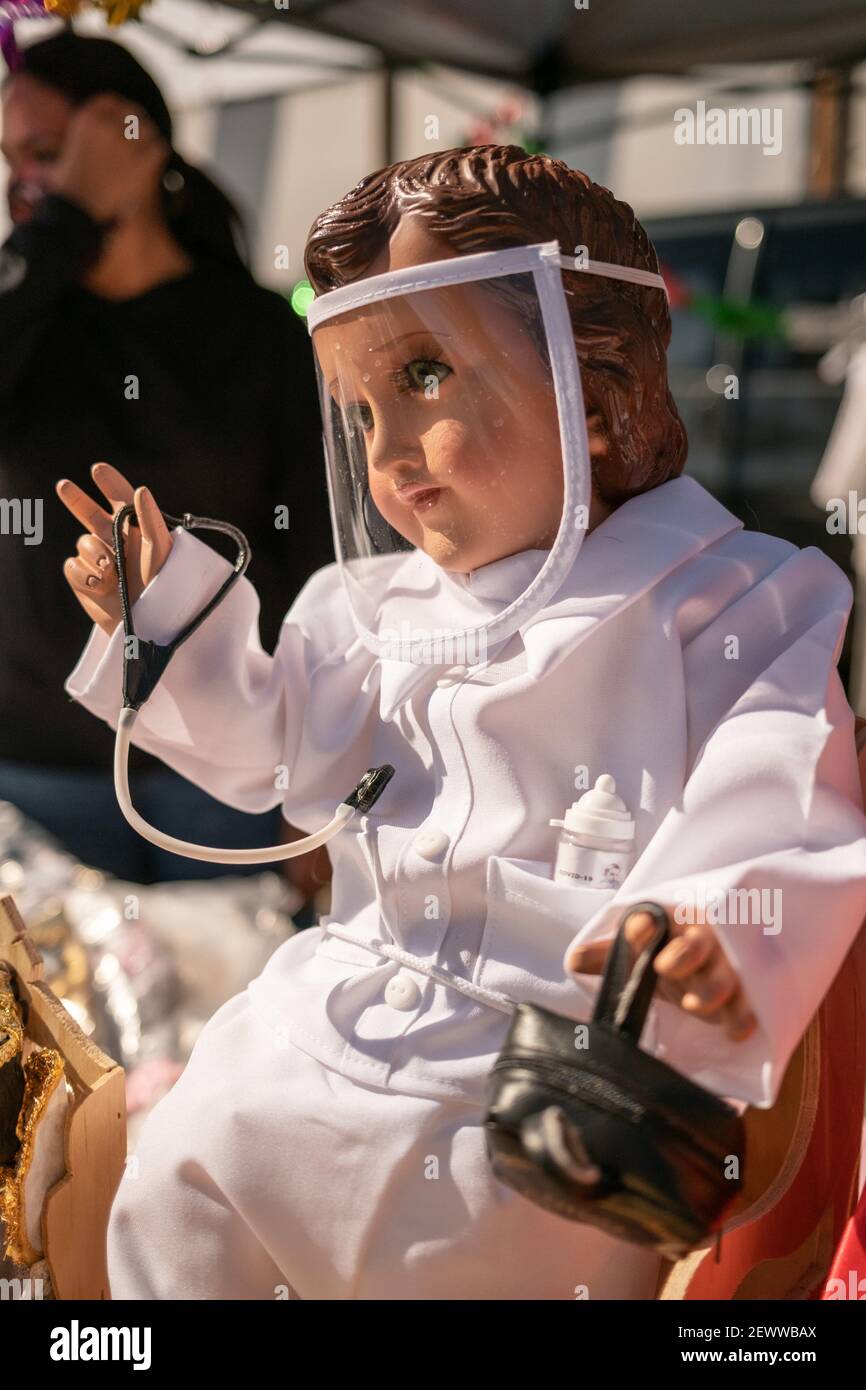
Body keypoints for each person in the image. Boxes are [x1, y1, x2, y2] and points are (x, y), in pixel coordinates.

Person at [59, 146, 866, 1299]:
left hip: (545, 1077)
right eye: (359, 410)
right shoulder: (373, 604)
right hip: (315, 1026)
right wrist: (169, 619)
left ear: (587, 395)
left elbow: (777, 785)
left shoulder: (729, 596)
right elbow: (276, 748)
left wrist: (708, 928)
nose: (386, 453)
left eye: (426, 375)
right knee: (171, 1190)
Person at [0, 30, 333, 882]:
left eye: (47, 152)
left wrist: (319, 780)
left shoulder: (262, 335)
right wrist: (67, 223)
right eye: (10, 160)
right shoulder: (28, 317)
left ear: (135, 143)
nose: (25, 185)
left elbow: (320, 560)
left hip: (228, 777)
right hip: (37, 775)